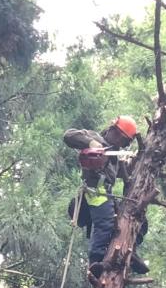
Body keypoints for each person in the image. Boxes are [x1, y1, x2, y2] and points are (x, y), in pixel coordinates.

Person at [63, 116, 149, 276]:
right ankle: (95, 262)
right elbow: (69, 135)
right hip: (94, 190)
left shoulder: (115, 157)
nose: (119, 143)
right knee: (105, 223)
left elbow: (126, 178)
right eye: (119, 137)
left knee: (138, 220)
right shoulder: (96, 138)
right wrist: (91, 144)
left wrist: (130, 162)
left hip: (106, 193)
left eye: (123, 142)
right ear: (112, 129)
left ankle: (130, 252)